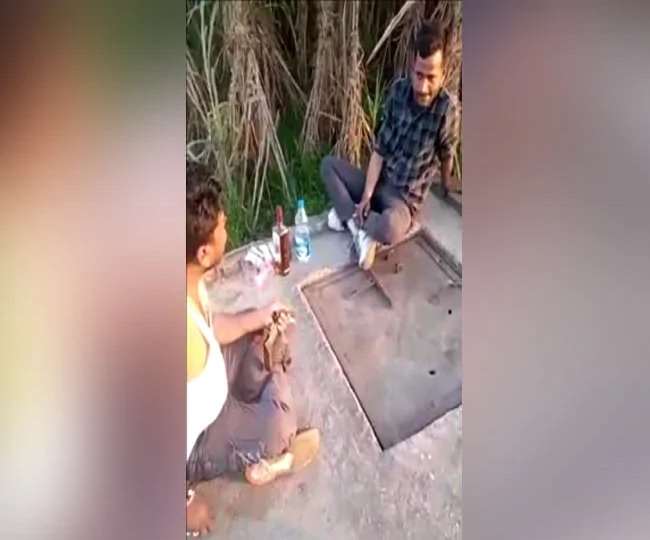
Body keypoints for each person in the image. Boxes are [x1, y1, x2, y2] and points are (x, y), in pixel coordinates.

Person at [185, 162, 320, 536]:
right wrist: (184, 503)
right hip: (197, 439)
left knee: (270, 331)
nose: (228, 231)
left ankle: (263, 387)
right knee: (279, 426)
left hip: (210, 386)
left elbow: (211, 325)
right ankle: (273, 455)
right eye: (223, 227)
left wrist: (256, 317)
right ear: (204, 252)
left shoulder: (188, 276)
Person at [321, 21, 459, 270]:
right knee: (328, 166)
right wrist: (366, 196)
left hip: (403, 201)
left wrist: (447, 185)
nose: (423, 87)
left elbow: (446, 152)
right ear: (411, 67)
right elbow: (379, 151)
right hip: (379, 184)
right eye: (418, 75)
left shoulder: (446, 109)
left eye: (431, 78)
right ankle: (359, 227)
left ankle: (350, 219)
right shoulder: (398, 92)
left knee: (389, 228)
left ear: (443, 73)